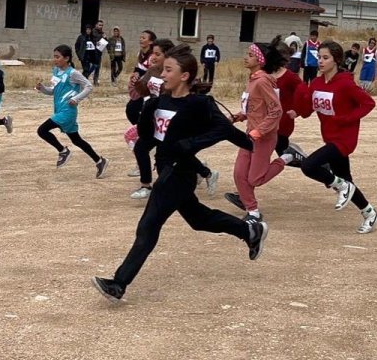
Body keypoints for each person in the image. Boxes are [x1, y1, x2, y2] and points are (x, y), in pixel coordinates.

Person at [90, 44, 268, 303]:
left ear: (184, 75)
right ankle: (249, 232)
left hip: (180, 172)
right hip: (165, 169)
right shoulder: (160, 101)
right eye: (163, 70)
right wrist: (144, 116)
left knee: (148, 226)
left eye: (168, 70)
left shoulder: (198, 104)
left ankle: (118, 283)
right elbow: (151, 137)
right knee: (199, 219)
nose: (162, 75)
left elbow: (224, 130)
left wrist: (254, 147)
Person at [291, 40, 377, 234]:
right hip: (329, 137)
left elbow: (368, 103)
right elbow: (308, 109)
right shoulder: (316, 82)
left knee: (309, 166)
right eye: (319, 57)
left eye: (325, 58)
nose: (321, 62)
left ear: (336, 60)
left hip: (344, 139)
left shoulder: (345, 83)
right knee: (346, 180)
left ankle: (341, 186)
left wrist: (345, 118)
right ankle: (370, 213)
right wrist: (296, 110)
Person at [127, 38, 220, 200]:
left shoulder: (174, 73)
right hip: (156, 119)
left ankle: (206, 173)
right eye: (152, 53)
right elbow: (144, 91)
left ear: (168, 55)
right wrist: (136, 82)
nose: (153, 57)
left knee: (174, 152)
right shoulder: (153, 70)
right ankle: (146, 186)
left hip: (172, 119)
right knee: (142, 147)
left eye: (158, 54)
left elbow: (177, 93)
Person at [224, 42, 285, 221]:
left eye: (250, 55)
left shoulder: (263, 81)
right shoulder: (252, 80)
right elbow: (255, 108)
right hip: (249, 136)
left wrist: (259, 131)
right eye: (247, 54)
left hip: (264, 137)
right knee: (239, 174)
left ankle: (287, 157)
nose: (246, 57)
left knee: (255, 179)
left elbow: (276, 111)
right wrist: (238, 116)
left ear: (260, 60)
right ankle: (253, 212)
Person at [35, 44, 109, 178]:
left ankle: (63, 151)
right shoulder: (56, 71)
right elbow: (53, 91)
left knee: (42, 130)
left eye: (58, 57)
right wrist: (42, 88)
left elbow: (88, 86)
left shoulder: (73, 73)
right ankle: (99, 161)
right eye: (54, 57)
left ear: (67, 58)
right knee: (77, 140)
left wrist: (77, 98)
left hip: (67, 112)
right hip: (59, 110)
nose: (55, 59)